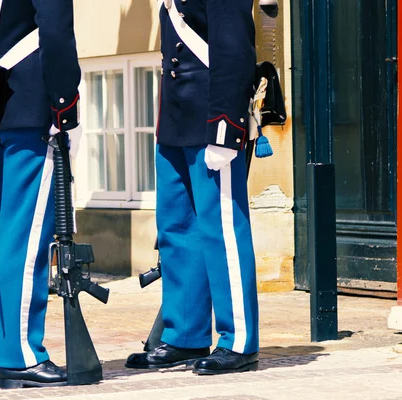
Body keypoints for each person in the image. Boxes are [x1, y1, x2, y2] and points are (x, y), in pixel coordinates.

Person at [125, 0, 259, 374]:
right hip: (177, 116)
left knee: (222, 230)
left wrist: (225, 125)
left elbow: (233, 45)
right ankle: (184, 334)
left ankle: (239, 340)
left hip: (211, 117)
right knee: (176, 229)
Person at [0, 0, 83, 389]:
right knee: (27, 237)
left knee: (4, 237)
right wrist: (66, 105)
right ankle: (23, 356)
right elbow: (55, 28)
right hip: (32, 103)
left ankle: (5, 353)